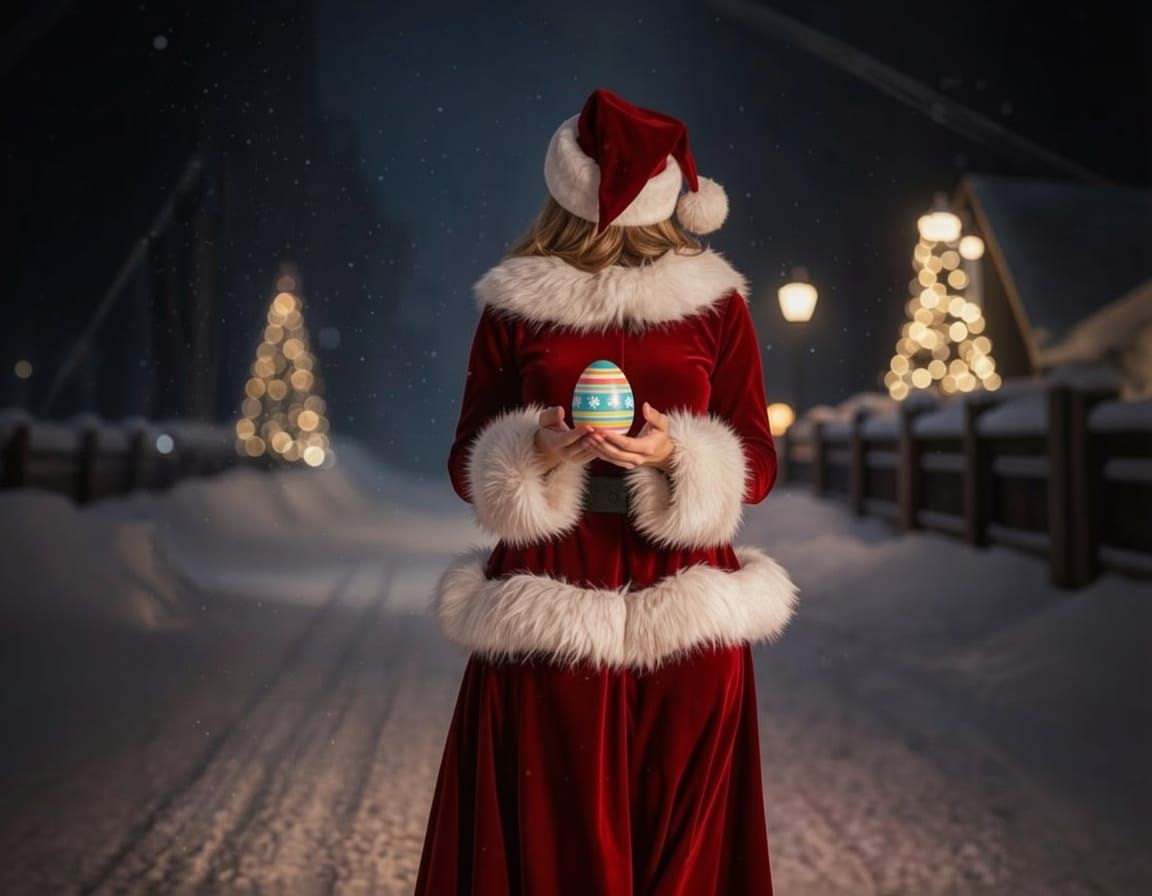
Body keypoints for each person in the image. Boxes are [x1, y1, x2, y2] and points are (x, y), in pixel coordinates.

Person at [414, 87, 798, 895]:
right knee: (561, 856)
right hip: (552, 601)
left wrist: (677, 453)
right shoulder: (518, 303)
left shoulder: (716, 301)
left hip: (686, 608)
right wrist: (537, 447)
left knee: (682, 858)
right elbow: (463, 465)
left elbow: (757, 463)